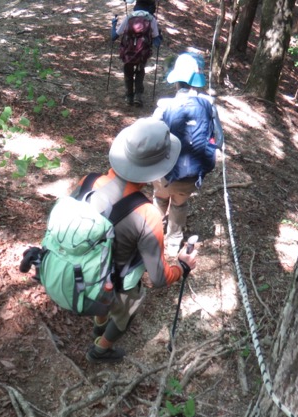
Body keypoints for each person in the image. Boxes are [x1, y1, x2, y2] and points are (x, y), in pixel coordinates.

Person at [71, 119, 198, 363]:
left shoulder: (88, 181)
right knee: (125, 312)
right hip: (117, 282)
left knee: (102, 298)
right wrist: (182, 267)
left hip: (82, 268)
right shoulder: (146, 213)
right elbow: (159, 278)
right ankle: (101, 349)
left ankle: (99, 324)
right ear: (159, 168)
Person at [150, 52, 224, 255]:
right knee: (179, 204)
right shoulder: (209, 106)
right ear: (196, 79)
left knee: (159, 199)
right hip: (191, 173)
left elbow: (150, 136)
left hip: (163, 171)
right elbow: (219, 140)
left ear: (175, 80)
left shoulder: (164, 106)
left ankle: (152, 236)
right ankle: (173, 244)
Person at [111, 0, 163, 107]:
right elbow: (156, 39)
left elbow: (114, 37)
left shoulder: (129, 17)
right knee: (140, 71)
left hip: (128, 52)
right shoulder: (151, 19)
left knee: (128, 71)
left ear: (136, 6)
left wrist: (114, 24)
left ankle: (129, 96)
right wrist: (159, 36)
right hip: (142, 53)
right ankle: (138, 96)